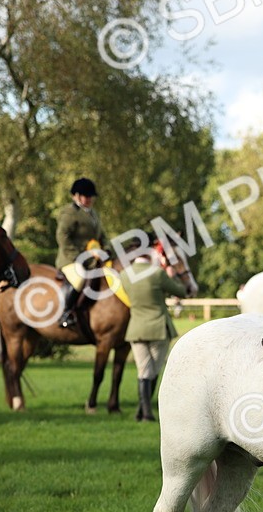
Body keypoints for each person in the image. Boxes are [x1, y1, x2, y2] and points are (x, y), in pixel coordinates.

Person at [120, 239, 190, 422]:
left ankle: (142, 411)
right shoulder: (158, 273)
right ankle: (146, 413)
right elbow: (181, 291)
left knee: (144, 371)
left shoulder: (124, 275)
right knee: (154, 371)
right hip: (159, 328)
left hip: (137, 328)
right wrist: (172, 275)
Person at [55, 177, 108, 329]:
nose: (90, 199)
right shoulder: (70, 213)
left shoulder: (93, 214)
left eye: (91, 196)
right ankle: (65, 313)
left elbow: (102, 235)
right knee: (80, 278)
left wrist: (107, 248)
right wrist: (77, 257)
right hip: (71, 259)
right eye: (86, 196)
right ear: (76, 196)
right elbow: (62, 236)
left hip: (92, 258)